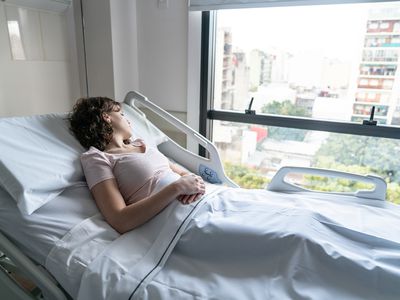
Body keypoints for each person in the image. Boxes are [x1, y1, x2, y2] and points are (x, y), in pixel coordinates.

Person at [69, 97, 206, 234]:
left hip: (202, 198)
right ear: (106, 117)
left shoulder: (141, 144)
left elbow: (183, 174)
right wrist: (178, 187)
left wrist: (195, 182)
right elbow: (119, 219)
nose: (128, 120)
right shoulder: (97, 158)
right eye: (121, 114)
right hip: (180, 216)